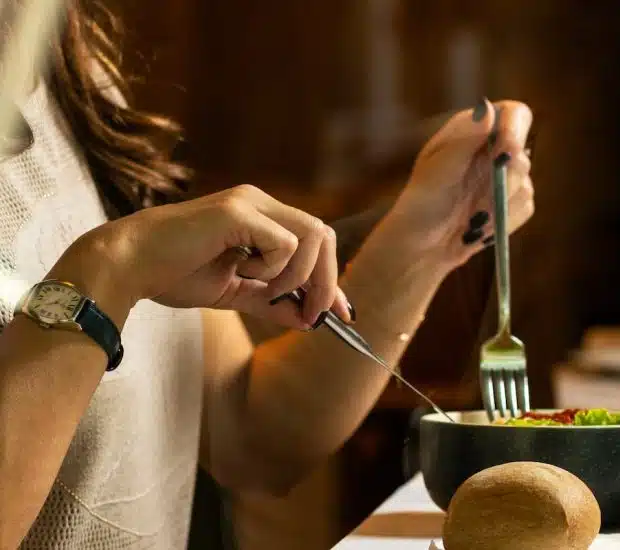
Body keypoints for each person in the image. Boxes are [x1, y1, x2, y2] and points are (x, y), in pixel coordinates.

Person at [0, 2, 534, 548]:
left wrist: (428, 234)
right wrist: (106, 274)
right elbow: (113, 268)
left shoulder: (63, 68)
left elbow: (249, 431)